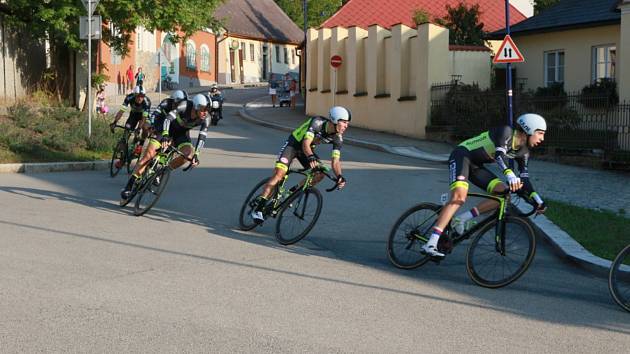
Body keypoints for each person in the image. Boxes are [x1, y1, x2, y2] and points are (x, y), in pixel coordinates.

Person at [421, 113, 548, 258]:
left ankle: (461, 219)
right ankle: (430, 243)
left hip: (476, 165)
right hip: (462, 155)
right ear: (528, 129)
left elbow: (525, 180)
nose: (542, 139)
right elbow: (499, 156)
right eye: (540, 133)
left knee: (504, 195)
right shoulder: (506, 132)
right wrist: (510, 175)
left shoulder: (524, 152)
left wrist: (537, 199)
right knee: (459, 197)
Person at [250, 106, 351, 223]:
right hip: (293, 145)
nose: (346, 126)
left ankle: (291, 194)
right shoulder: (317, 122)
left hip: (306, 151)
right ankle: (258, 209)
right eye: (344, 122)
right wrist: (311, 156)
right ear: (334, 119)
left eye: (347, 123)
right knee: (279, 175)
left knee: (320, 174)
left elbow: (336, 161)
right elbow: (305, 143)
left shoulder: (338, 138)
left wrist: (339, 176)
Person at [120, 93, 210, 201]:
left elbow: (202, 136)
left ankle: (164, 171)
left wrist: (196, 154)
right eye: (203, 109)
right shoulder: (185, 106)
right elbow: (167, 119)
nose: (206, 112)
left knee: (189, 154)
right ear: (196, 107)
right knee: (148, 156)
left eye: (208, 109)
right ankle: (129, 185)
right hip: (165, 130)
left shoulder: (206, 118)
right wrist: (166, 135)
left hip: (181, 135)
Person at [109, 86, 152, 154]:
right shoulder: (129, 98)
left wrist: (138, 128)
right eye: (138, 96)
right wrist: (114, 122)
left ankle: (140, 144)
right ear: (134, 95)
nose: (140, 98)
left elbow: (144, 118)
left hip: (143, 117)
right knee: (127, 129)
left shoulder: (147, 102)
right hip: (133, 115)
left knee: (145, 128)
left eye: (142, 96)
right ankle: (123, 154)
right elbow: (121, 111)